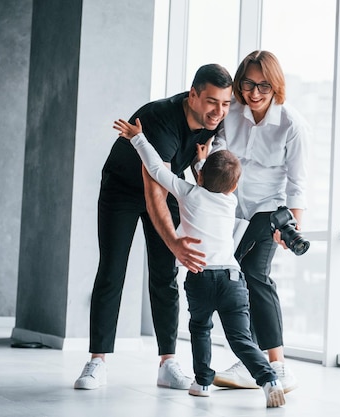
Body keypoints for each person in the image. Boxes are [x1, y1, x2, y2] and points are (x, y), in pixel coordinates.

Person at [74, 64, 233, 390]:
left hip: (167, 188)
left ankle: (167, 363)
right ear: (193, 95)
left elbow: (201, 175)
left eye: (226, 103)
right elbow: (153, 190)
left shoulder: (215, 123)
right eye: (212, 102)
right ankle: (97, 361)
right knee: (112, 270)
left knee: (165, 275)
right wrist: (174, 240)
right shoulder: (161, 119)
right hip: (123, 188)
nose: (219, 111)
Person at [113, 118, 286, 407]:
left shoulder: (189, 193)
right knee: (240, 338)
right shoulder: (230, 202)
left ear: (201, 178)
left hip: (200, 277)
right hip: (232, 279)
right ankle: (269, 378)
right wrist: (204, 163)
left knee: (200, 329)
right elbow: (212, 183)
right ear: (234, 187)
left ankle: (203, 382)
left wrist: (138, 138)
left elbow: (157, 170)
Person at [212, 50, 310, 394]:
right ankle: (249, 359)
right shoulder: (232, 114)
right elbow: (218, 154)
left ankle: (278, 364)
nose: (254, 93)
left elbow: (297, 182)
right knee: (234, 278)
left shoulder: (291, 124)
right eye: (248, 84)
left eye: (263, 86)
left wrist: (292, 227)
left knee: (256, 273)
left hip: (270, 209)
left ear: (276, 85)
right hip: (231, 209)